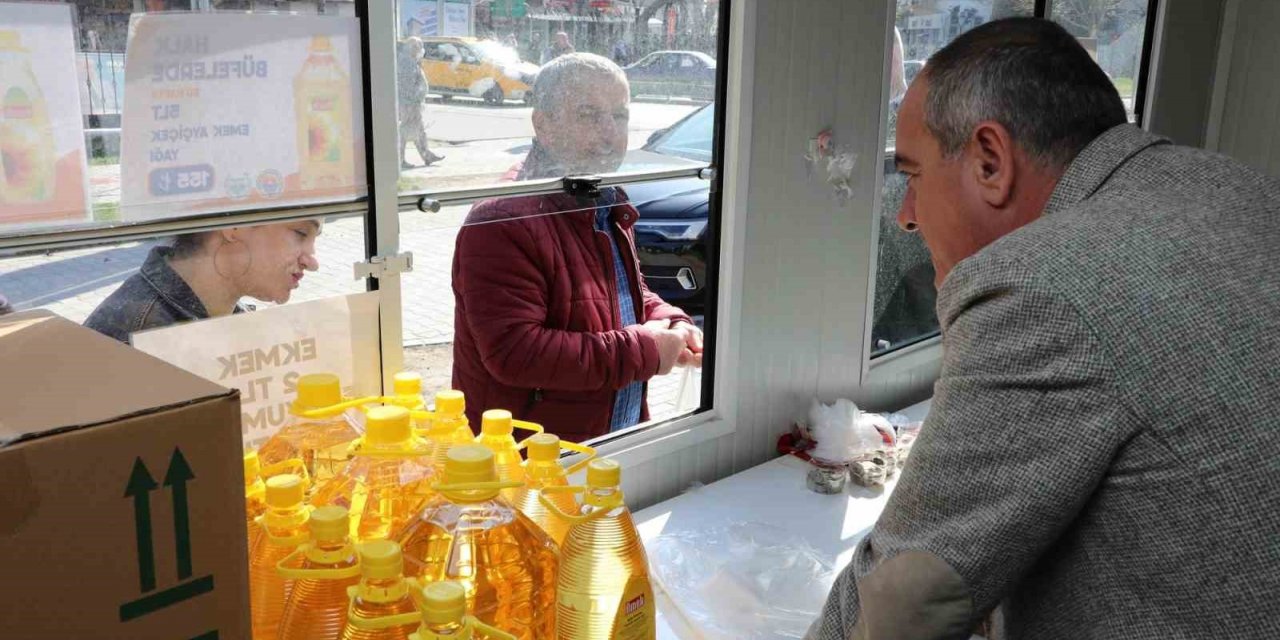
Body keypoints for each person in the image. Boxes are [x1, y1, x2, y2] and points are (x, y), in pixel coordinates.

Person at [809, 18, 1280, 640]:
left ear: (990, 161)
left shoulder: (1037, 284)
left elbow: (900, 604)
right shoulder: (1242, 189)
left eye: (914, 176)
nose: (905, 215)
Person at [451, 53, 703, 442]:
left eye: (619, 117)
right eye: (588, 115)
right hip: (534, 463)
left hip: (608, 437)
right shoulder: (502, 218)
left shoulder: (602, 198)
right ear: (543, 125)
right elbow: (516, 352)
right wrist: (646, 350)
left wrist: (671, 319)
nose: (609, 133)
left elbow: (621, 291)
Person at [84, 221, 321, 343]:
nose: (312, 262)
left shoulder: (207, 319)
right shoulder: (143, 341)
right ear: (236, 225)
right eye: (300, 233)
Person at [397, 37, 443, 169]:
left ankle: (426, 155)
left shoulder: (409, 61)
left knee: (419, 130)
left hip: (411, 103)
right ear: (412, 48)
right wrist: (415, 99)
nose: (421, 50)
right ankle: (401, 160)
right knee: (406, 132)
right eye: (418, 47)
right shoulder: (406, 63)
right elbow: (407, 86)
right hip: (409, 104)